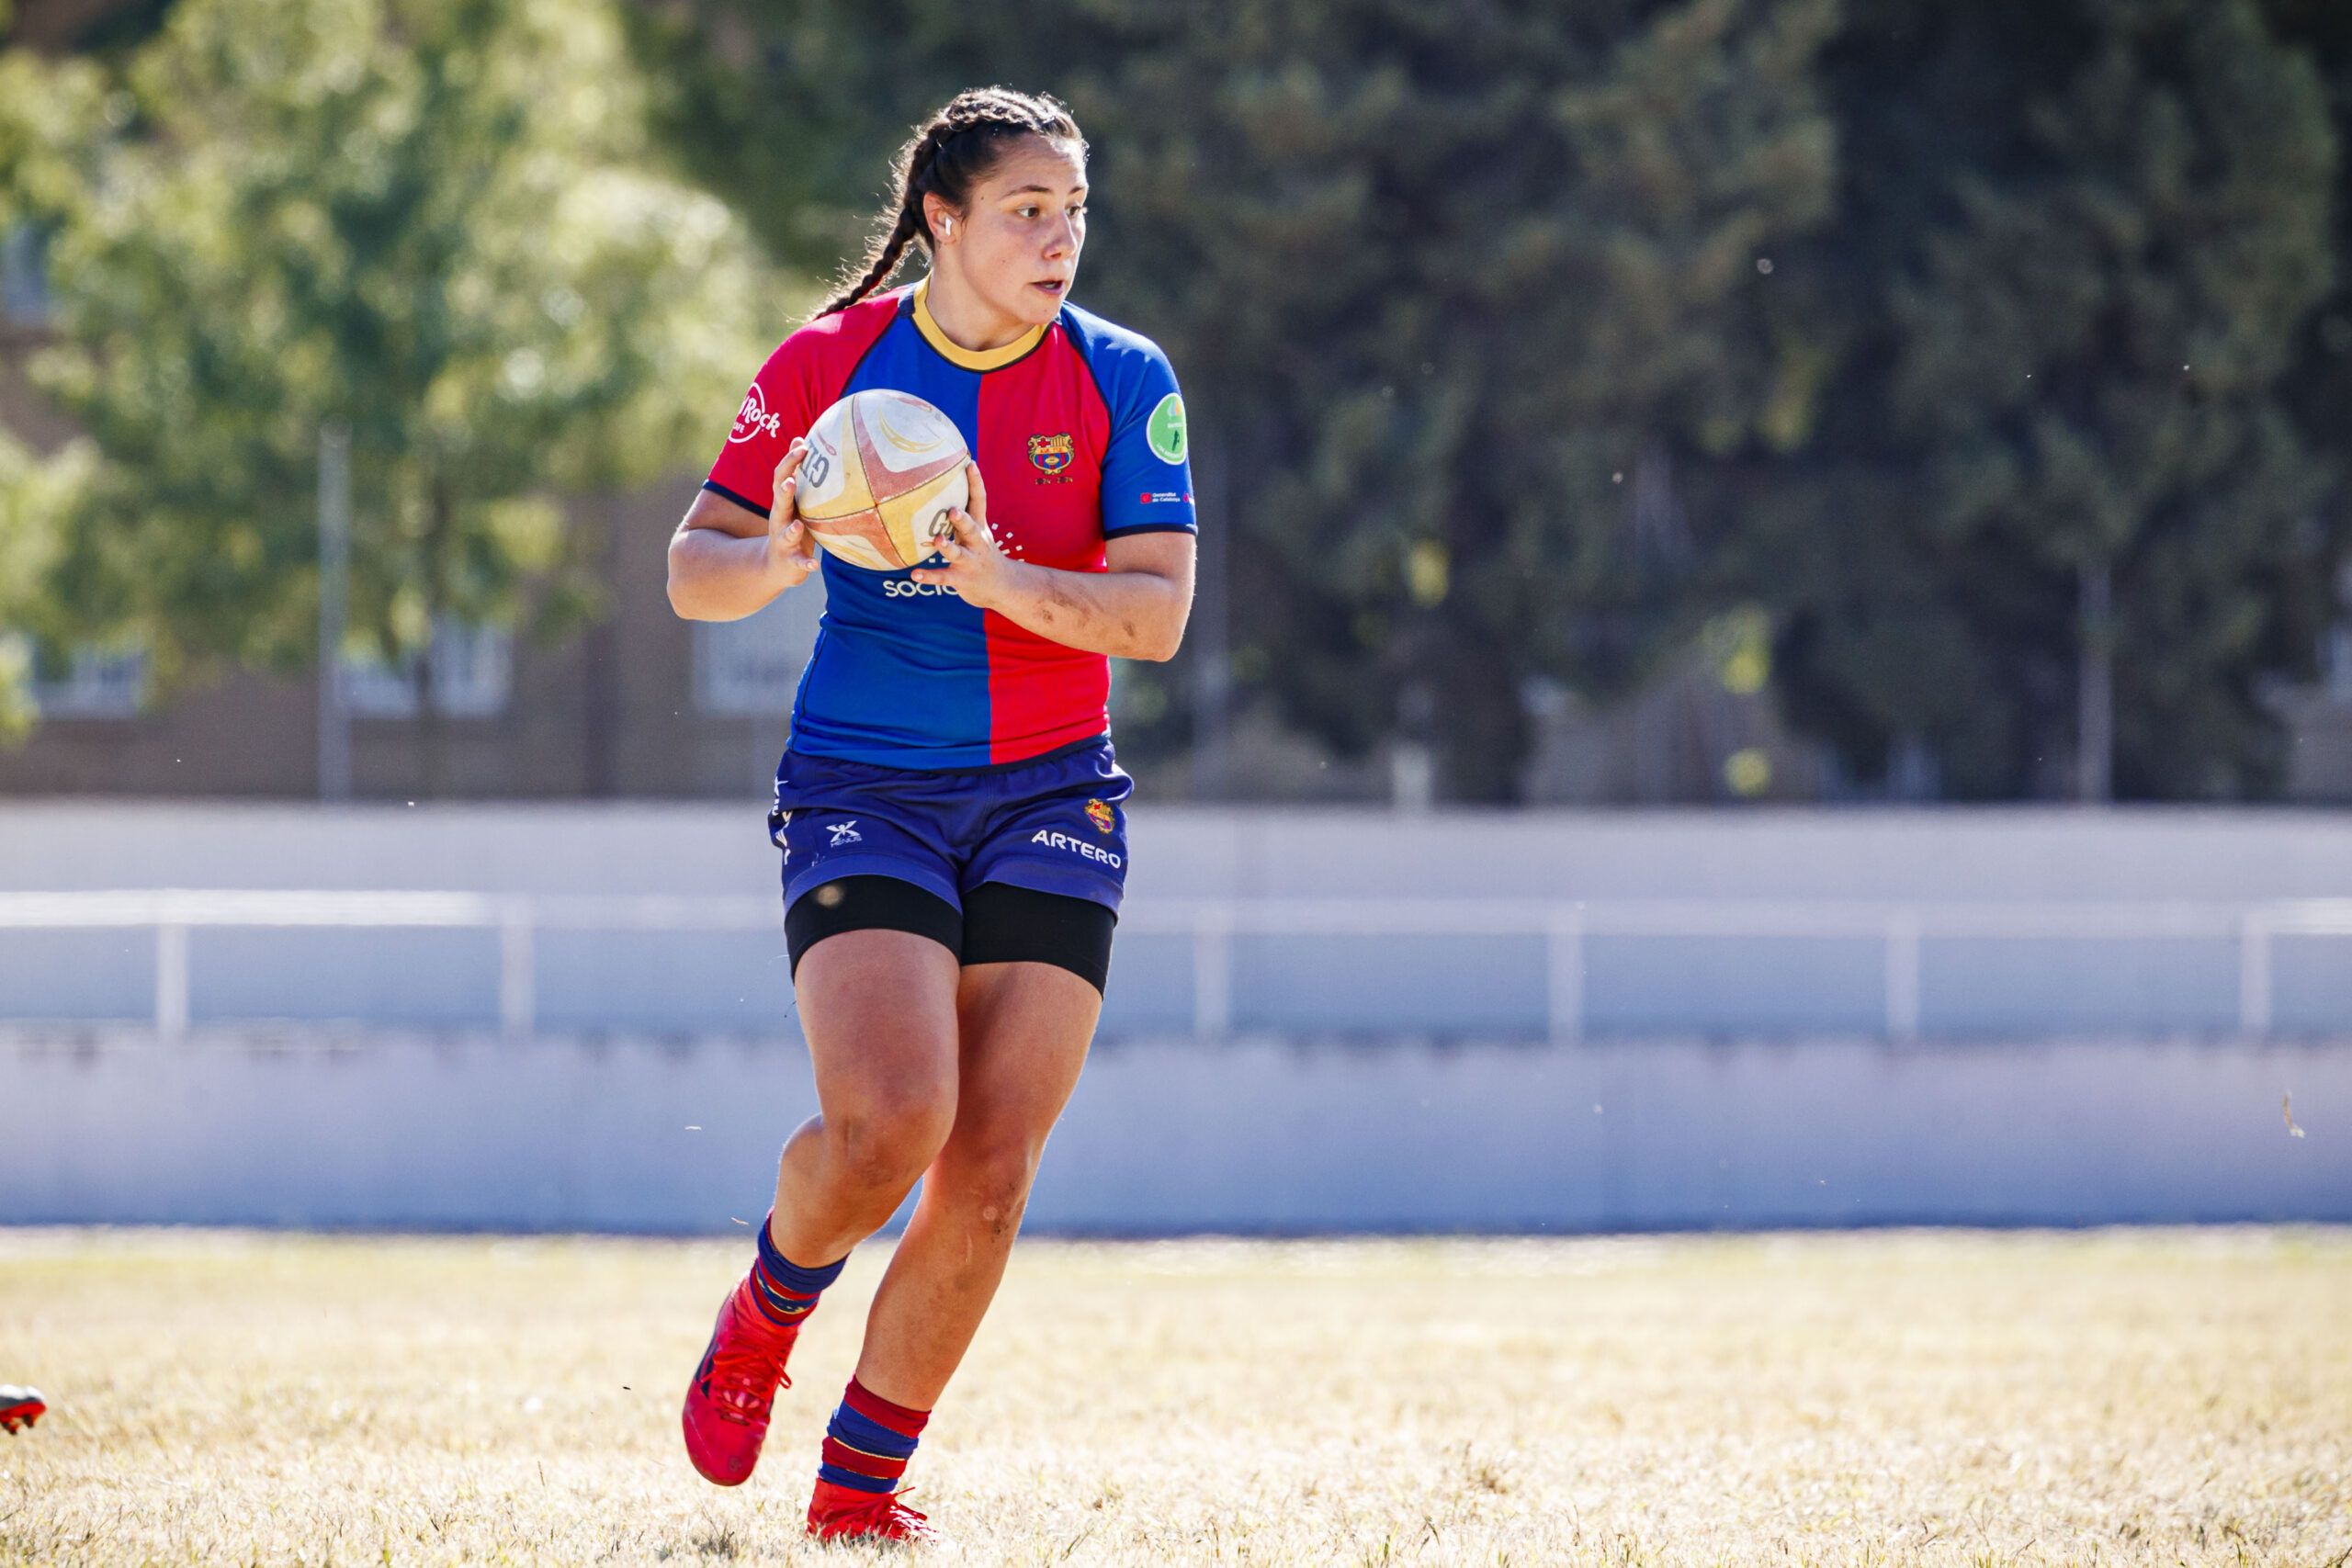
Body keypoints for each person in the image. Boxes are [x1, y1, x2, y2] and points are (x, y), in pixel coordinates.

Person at [664, 86, 1195, 1543]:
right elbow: (689, 568)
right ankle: (769, 1308)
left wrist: (1005, 582)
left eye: (1076, 209)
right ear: (942, 220)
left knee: (995, 1162)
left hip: (1053, 791)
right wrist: (773, 558)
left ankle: (856, 1493)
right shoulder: (829, 365)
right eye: (1029, 209)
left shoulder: (1122, 376)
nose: (1060, 237)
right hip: (863, 792)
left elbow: (1155, 618)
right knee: (895, 1120)